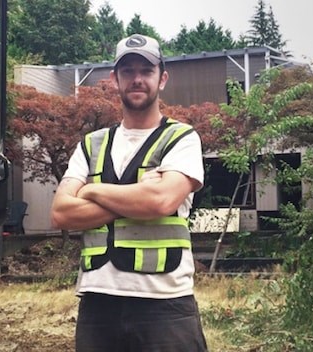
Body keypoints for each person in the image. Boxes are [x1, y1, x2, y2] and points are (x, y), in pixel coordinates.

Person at [50, 34, 207, 351]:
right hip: (98, 303)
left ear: (162, 78)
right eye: (128, 71)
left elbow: (161, 201)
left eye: (146, 71)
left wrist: (91, 191)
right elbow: (61, 213)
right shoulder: (91, 144)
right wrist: (138, 197)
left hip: (165, 304)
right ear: (114, 79)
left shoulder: (182, 139)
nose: (137, 79)